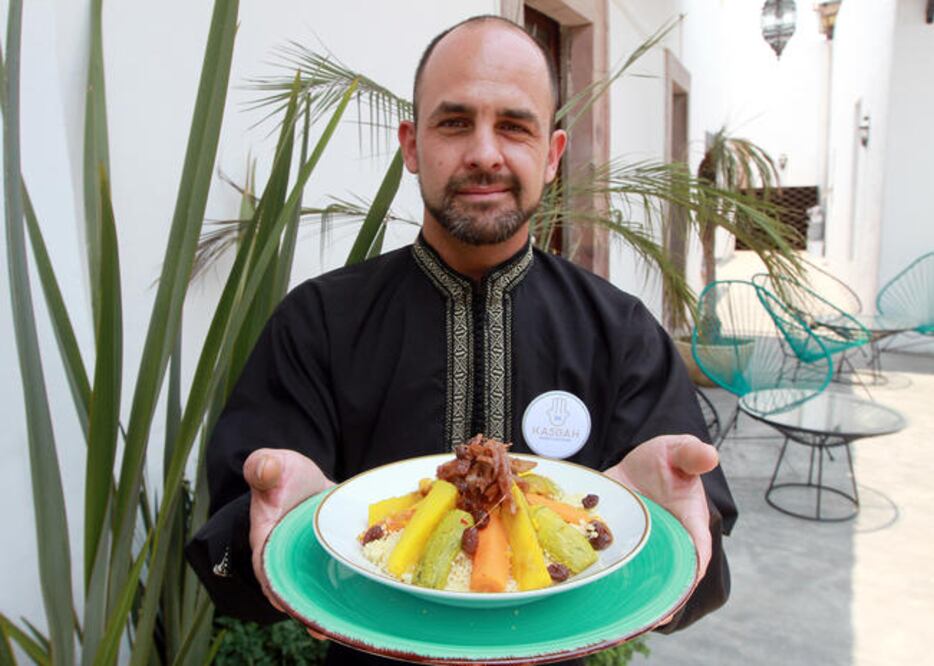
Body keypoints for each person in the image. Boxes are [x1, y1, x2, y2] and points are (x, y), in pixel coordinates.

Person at [187, 14, 737, 666]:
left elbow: (698, 567)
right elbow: (225, 559)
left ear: (553, 154)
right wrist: (284, 538)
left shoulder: (619, 333)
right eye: (454, 123)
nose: (484, 152)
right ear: (412, 145)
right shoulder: (319, 323)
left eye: (514, 125)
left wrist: (667, 540)